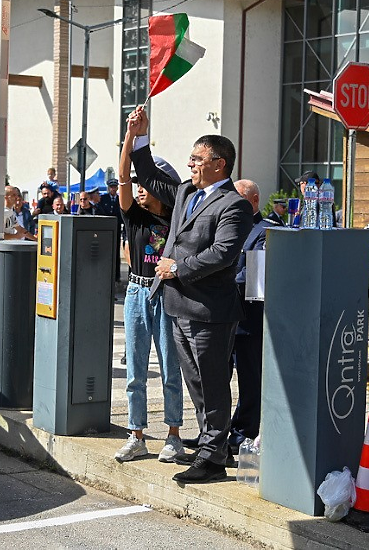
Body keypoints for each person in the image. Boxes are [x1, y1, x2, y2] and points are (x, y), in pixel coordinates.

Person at [128, 106, 253, 484]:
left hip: (210, 309)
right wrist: (139, 135)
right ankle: (211, 445)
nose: (191, 165)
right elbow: (148, 174)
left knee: (213, 383)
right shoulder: (186, 191)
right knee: (195, 383)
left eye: (197, 160)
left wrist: (178, 268)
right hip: (178, 304)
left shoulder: (235, 204)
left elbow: (224, 253)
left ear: (219, 164)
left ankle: (213, 457)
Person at [113, 131, 186, 465]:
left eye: (147, 183)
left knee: (171, 367)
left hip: (167, 292)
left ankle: (173, 436)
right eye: (139, 184)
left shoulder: (177, 219)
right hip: (137, 291)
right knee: (136, 371)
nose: (140, 188)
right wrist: (131, 136)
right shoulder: (135, 215)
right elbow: (123, 176)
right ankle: (136, 435)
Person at [229, 179, 280, 453]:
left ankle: (242, 433)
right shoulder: (227, 227)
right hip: (221, 319)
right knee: (215, 380)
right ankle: (216, 431)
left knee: (249, 381)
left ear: (254, 201)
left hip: (248, 320)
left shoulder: (265, 230)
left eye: (237, 200)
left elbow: (254, 277)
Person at [100, 178, 125, 281]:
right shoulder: (104, 198)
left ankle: (116, 276)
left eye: (115, 187)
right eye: (111, 187)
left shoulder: (120, 199)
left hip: (116, 227)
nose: (113, 189)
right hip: (105, 228)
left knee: (115, 252)